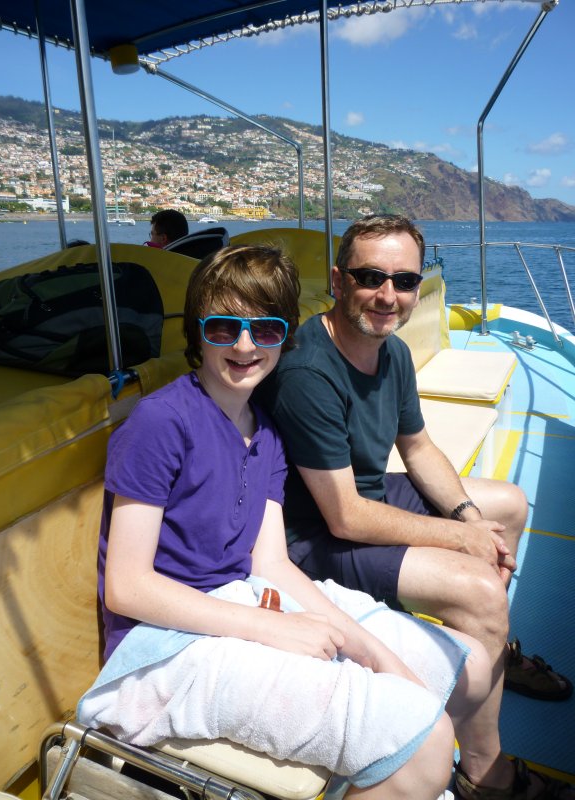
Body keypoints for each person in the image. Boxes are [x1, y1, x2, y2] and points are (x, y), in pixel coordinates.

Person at [76, 243, 563, 800]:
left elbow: (272, 564)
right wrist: (276, 628)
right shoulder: (160, 423)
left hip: (244, 600)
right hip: (161, 651)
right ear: (197, 331)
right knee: (426, 746)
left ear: (285, 336)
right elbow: (128, 588)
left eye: (264, 331)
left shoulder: (264, 434)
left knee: (473, 667)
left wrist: (373, 654)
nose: (242, 345)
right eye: (221, 328)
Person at [257, 215, 573, 798]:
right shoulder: (308, 372)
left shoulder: (392, 352)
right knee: (479, 588)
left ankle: (492, 652)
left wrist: (471, 520)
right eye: (371, 276)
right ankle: (485, 771)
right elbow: (345, 516)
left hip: (363, 499)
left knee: (508, 504)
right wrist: (460, 541)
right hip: (313, 539)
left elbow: (419, 446)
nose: (388, 295)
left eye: (404, 281)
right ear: (338, 279)